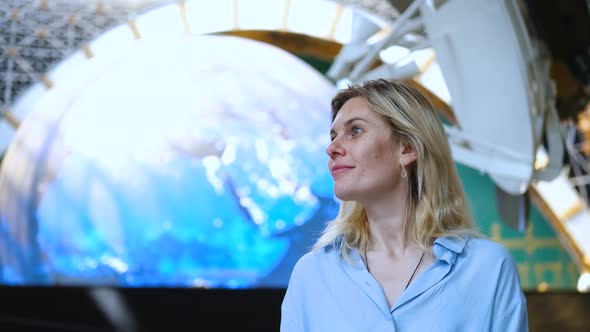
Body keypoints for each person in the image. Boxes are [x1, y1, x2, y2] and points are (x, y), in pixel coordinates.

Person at [280, 79, 528, 331]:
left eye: (355, 131)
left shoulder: (488, 268)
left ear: (407, 148)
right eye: (332, 136)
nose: (332, 148)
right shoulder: (311, 275)